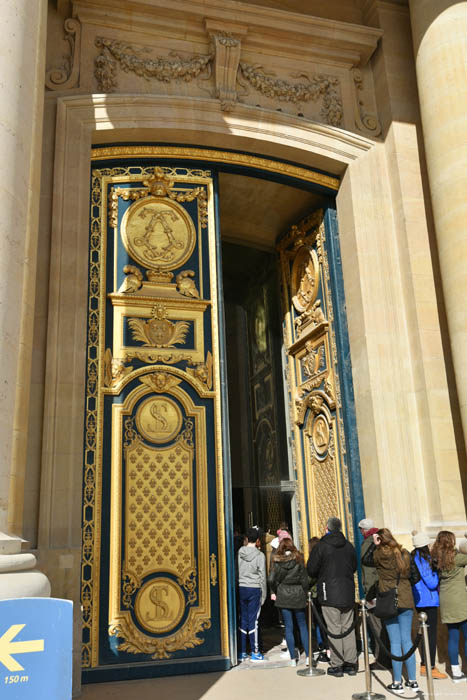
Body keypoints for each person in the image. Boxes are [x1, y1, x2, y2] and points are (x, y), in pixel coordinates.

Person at [362, 528, 418, 694]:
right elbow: (416, 577)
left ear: (380, 539)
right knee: (407, 640)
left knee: (395, 642)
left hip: (387, 599)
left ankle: (397, 681)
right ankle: (413, 681)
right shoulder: (404, 553)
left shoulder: (378, 555)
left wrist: (374, 544)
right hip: (405, 598)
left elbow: (365, 560)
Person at [307, 517, 358, 677]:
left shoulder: (321, 546)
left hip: (329, 591)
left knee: (334, 628)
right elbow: (354, 566)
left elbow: (311, 569)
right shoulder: (349, 546)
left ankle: (337, 664)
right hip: (347, 591)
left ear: (327, 528)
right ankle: (351, 662)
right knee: (348, 628)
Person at [431, 530, 467, 683]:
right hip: (460, 599)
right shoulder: (458, 558)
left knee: (452, 636)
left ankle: (455, 672)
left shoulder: (436, 559)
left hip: (445, 599)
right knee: (466, 636)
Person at [410, 531, 446, 679]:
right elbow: (431, 583)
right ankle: (429, 666)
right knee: (430, 635)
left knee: (426, 633)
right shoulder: (423, 559)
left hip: (422, 600)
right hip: (428, 600)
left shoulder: (415, 556)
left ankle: (427, 664)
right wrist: (437, 573)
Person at [269, 537, 310, 666]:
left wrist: (275, 590)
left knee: (289, 627)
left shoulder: (277, 561)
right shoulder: (299, 559)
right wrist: (305, 592)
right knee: (303, 625)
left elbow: (271, 579)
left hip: (283, 594)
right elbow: (304, 579)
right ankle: (309, 656)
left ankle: (293, 658)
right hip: (298, 593)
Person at [359, 517, 391, 669]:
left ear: (363, 530)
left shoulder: (367, 543)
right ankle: (390, 657)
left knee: (378, 627)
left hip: (374, 591)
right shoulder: (384, 540)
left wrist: (368, 592)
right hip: (387, 589)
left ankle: (382, 659)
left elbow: (368, 569)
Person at [238, 526, 267, 662]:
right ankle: (255, 651)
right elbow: (262, 576)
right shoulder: (260, 555)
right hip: (254, 588)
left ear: (247, 538)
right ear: (257, 540)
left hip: (242, 586)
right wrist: (264, 594)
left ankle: (243, 651)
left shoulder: (240, 552)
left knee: (243, 619)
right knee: (253, 620)